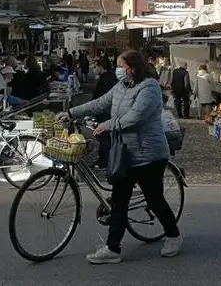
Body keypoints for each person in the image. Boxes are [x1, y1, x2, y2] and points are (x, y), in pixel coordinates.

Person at [57, 50, 182, 264]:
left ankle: (173, 235)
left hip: (149, 155)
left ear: (132, 68)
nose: (118, 70)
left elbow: (136, 116)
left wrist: (109, 125)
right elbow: (99, 103)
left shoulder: (149, 87)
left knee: (154, 199)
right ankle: (112, 248)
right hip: (126, 152)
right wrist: (70, 113)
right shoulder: (121, 86)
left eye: (121, 66)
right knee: (119, 200)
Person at [91, 57, 118, 168]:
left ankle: (104, 161)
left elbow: (99, 97)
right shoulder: (110, 76)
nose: (94, 69)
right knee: (105, 136)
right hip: (108, 111)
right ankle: (105, 159)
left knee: (104, 136)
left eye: (95, 67)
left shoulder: (105, 79)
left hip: (105, 112)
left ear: (100, 67)